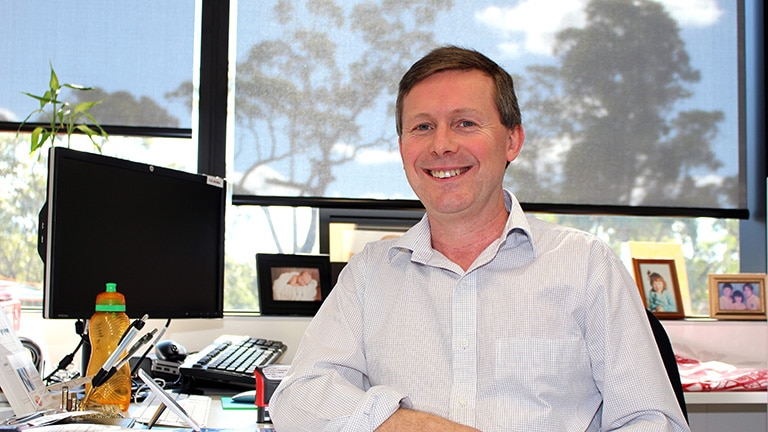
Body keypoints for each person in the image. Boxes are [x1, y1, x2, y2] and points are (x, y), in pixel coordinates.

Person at [270, 46, 689, 431]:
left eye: (465, 123)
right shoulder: (369, 273)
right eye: (422, 127)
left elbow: (654, 422)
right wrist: (416, 427)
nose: (441, 145)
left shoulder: (586, 265)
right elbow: (298, 399)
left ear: (512, 140)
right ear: (402, 148)